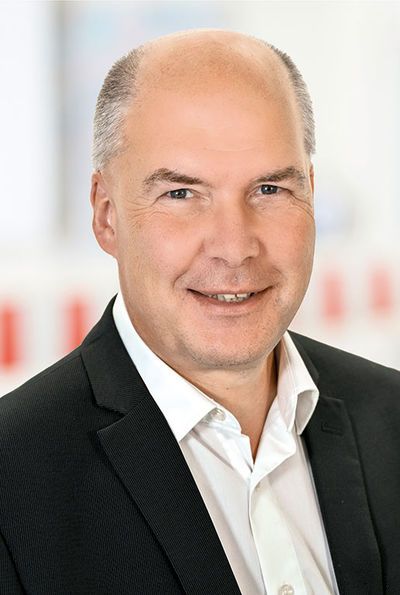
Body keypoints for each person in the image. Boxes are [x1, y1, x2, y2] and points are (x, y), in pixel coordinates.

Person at [0, 28, 398, 595]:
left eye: (269, 189)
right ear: (107, 214)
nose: (234, 247)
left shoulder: (391, 418)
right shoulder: (14, 484)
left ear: (310, 193)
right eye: (181, 194)